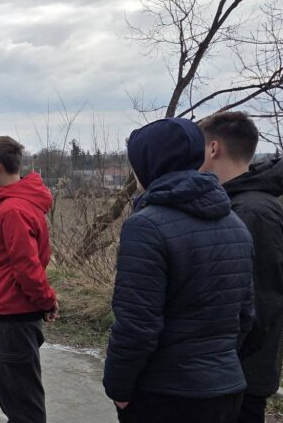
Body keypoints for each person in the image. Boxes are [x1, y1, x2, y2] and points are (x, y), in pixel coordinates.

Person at [103, 118, 255, 423]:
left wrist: (118, 388)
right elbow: (245, 315)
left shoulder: (146, 226)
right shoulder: (235, 223)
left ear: (150, 163)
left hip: (166, 394)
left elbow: (137, 325)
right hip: (225, 389)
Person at [199, 112, 283, 423]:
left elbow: (260, 306)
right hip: (230, 371)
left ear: (213, 149)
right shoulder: (239, 203)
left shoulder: (253, 212)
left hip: (241, 374)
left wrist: (217, 361)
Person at [0, 136, 57, 423]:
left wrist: (47, 301)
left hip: (13, 317)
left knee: (23, 405)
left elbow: (27, 268)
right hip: (6, 313)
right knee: (14, 399)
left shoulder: (12, 210)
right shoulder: (11, 203)